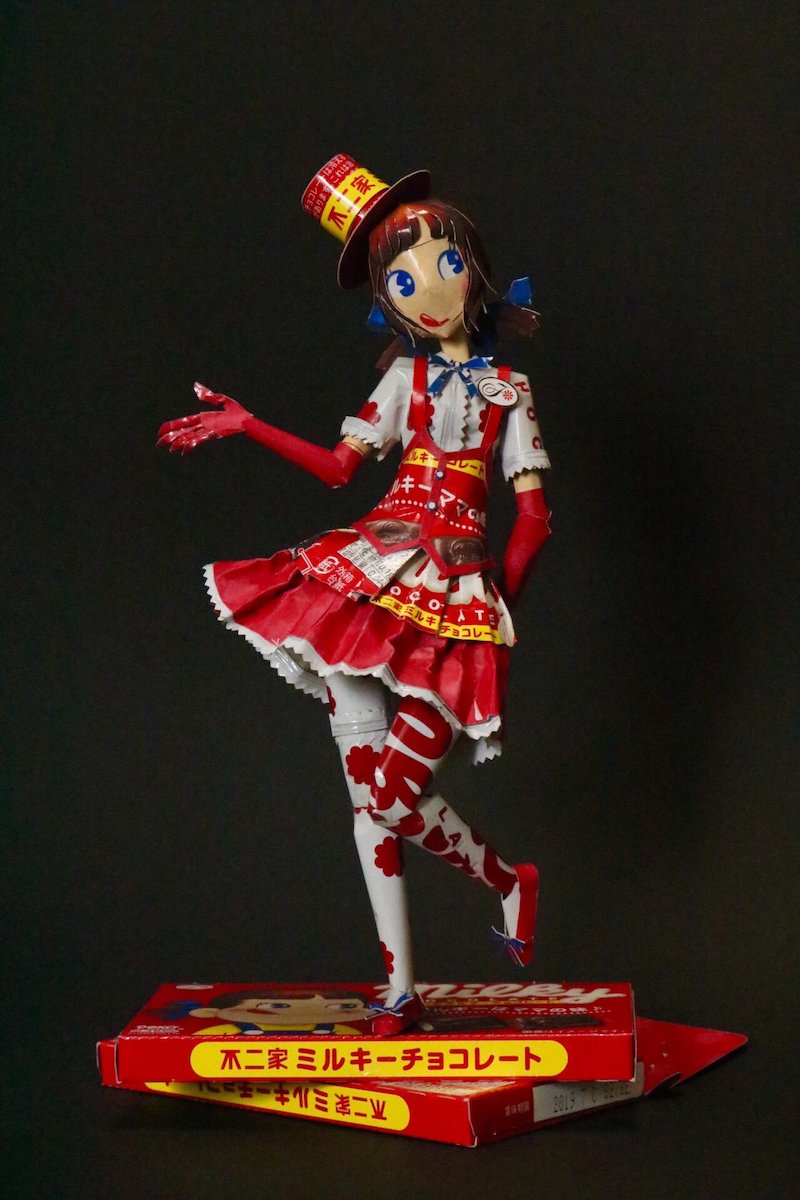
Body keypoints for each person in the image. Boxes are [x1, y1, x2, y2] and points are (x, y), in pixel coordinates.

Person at [158, 156, 552, 1035]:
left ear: (475, 265)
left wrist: (498, 615)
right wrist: (249, 424)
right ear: (389, 299)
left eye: (446, 262)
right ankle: (401, 990)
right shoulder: (404, 381)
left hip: (456, 592)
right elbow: (342, 469)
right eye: (404, 280)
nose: (431, 289)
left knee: (390, 791)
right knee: (368, 802)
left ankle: (505, 880)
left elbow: (534, 518)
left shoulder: (509, 391)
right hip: (367, 579)